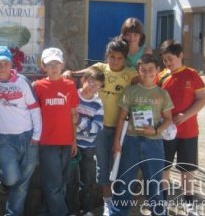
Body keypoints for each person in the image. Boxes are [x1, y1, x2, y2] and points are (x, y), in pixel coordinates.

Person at [63, 37, 138, 216]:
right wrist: (69, 73)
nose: (115, 61)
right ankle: (107, 203)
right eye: (112, 57)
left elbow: (145, 83)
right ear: (107, 56)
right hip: (101, 129)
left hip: (121, 128)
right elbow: (80, 74)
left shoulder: (131, 74)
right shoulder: (99, 68)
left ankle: (121, 202)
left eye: (120, 58)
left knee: (120, 165)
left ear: (125, 58)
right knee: (102, 166)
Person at [111, 54, 174, 216]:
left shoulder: (162, 94)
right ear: (138, 71)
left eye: (151, 70)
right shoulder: (131, 91)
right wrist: (117, 141)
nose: (147, 73)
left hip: (154, 143)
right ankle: (119, 212)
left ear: (158, 70)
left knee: (154, 182)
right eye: (143, 70)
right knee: (125, 180)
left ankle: (158, 212)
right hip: (131, 141)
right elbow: (122, 117)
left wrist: (155, 130)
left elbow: (168, 119)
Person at [0, 46, 42, 216]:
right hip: (5, 139)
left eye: (6, 63)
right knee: (12, 178)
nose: (2, 67)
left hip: (28, 137)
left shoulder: (22, 81)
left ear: (11, 64)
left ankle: (12, 213)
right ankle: (3, 181)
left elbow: (34, 108)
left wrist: (36, 135)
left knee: (23, 184)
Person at [156, 39, 205, 211]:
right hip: (166, 131)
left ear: (180, 56)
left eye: (170, 58)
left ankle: (188, 198)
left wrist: (186, 115)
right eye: (164, 60)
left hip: (189, 131)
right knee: (164, 166)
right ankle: (163, 198)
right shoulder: (161, 76)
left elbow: (202, 100)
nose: (167, 63)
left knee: (187, 167)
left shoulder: (193, 75)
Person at [33, 47, 79, 216]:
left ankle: (45, 211)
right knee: (53, 184)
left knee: (62, 182)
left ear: (63, 65)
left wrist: (74, 140)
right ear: (43, 66)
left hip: (66, 141)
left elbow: (74, 114)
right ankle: (62, 213)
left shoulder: (70, 85)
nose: (53, 68)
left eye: (56, 64)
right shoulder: (38, 86)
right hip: (47, 142)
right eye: (49, 64)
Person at [74, 67, 105, 216]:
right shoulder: (74, 96)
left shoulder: (98, 104)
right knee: (70, 178)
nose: (94, 88)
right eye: (92, 83)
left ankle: (87, 209)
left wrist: (79, 121)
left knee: (88, 179)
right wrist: (85, 126)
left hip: (88, 147)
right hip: (70, 143)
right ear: (83, 80)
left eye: (98, 85)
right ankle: (72, 209)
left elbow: (96, 128)